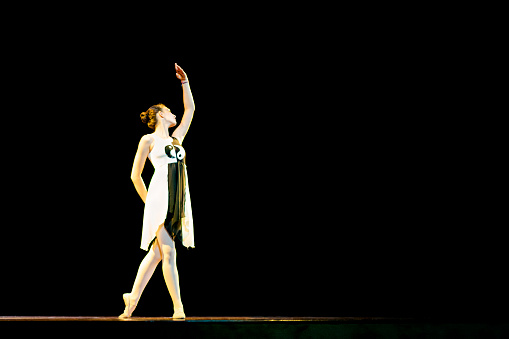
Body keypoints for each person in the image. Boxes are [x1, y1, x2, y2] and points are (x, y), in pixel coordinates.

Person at [119, 63, 195, 319]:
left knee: (156, 255)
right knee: (169, 252)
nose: (174, 114)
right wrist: (148, 202)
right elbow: (135, 175)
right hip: (160, 198)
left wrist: (185, 82)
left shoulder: (177, 140)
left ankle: (132, 299)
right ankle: (178, 307)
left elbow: (190, 109)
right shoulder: (148, 140)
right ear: (160, 115)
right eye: (169, 111)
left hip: (178, 200)